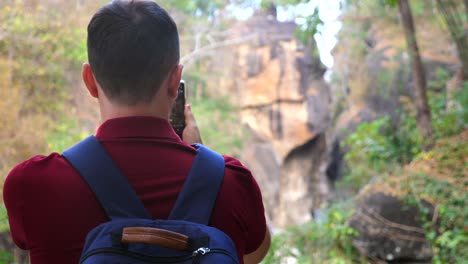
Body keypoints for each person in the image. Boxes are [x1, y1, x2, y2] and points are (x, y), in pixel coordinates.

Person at [3, 1, 270, 263]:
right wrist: (204, 157)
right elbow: (252, 253)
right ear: (175, 81)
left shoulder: (33, 185)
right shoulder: (233, 184)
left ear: (89, 81)